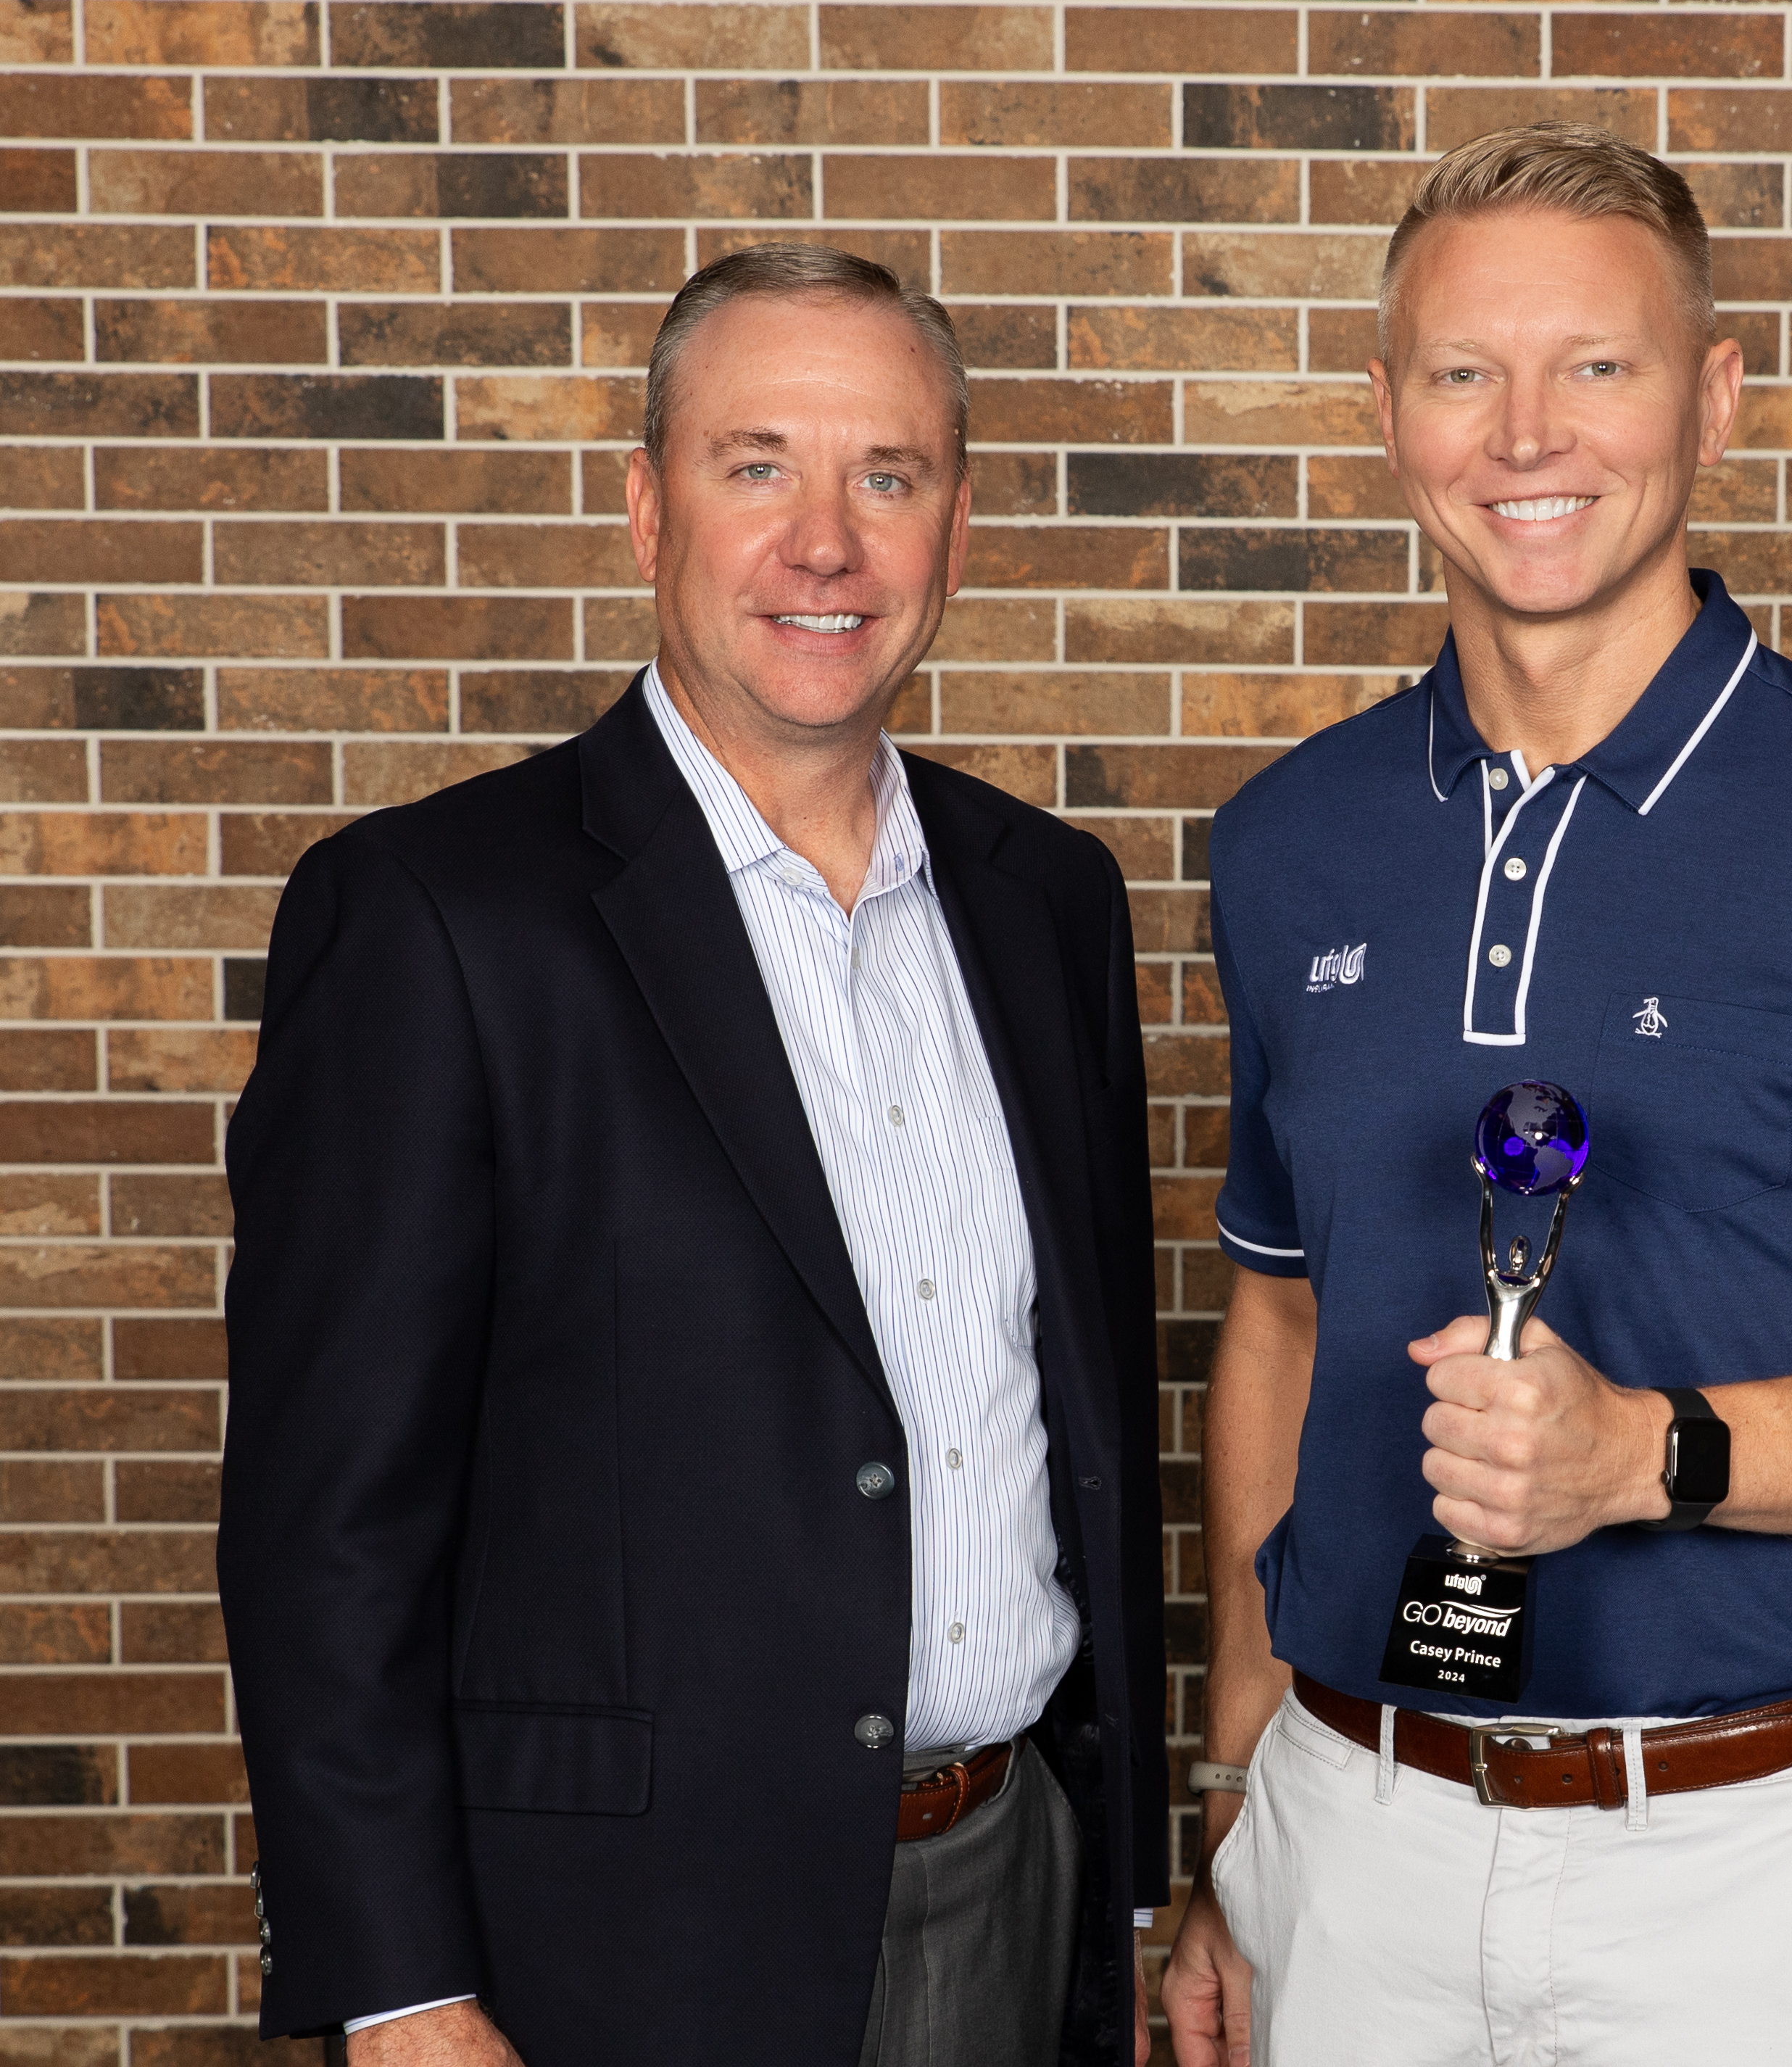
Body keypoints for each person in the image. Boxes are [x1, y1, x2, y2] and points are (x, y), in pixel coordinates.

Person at [1155, 123, 1792, 2067]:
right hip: (1354, 1842)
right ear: (1383, 412)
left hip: (1753, 1868)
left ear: (1712, 399)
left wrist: (1649, 1459)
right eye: (1461, 372)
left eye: (1593, 367)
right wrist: (1238, 1775)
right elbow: (1278, 1312)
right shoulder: (1288, 847)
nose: (1527, 433)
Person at [218, 243, 1164, 2067]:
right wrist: (401, 1990)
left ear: (955, 526)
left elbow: (1089, 1421)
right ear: (647, 506)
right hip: (616, 1944)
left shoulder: (1049, 901)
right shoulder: (433, 917)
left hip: (1013, 1887)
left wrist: (1120, 1886)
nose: (826, 542)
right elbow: (325, 1525)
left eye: (885, 476)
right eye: (757, 466)